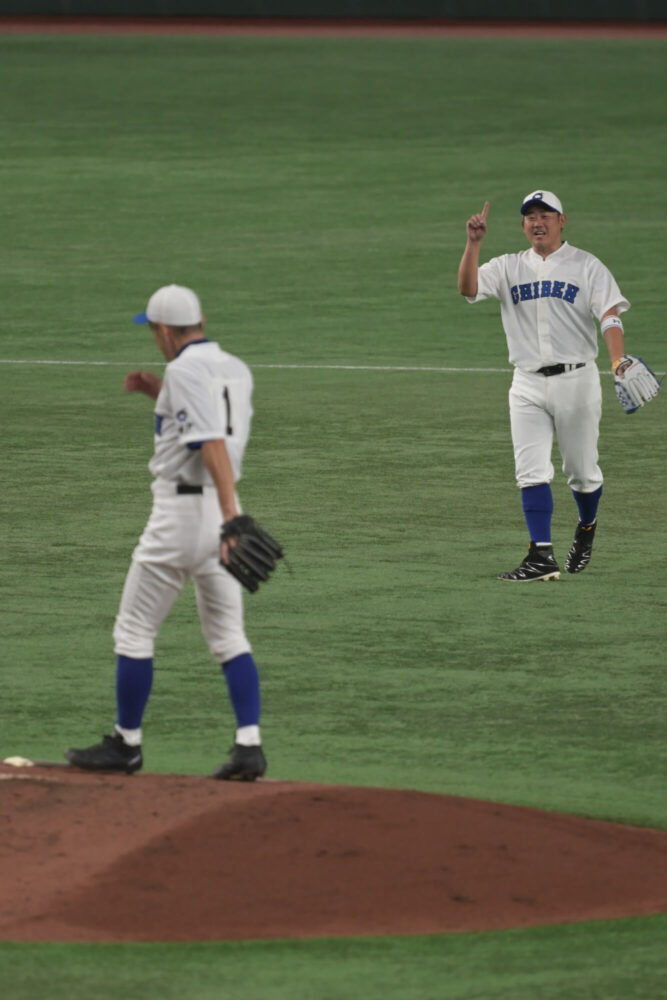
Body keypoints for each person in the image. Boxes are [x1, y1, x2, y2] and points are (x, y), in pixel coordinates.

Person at [66, 284, 267, 778]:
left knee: (134, 630)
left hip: (182, 518)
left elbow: (210, 443)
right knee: (228, 636)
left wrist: (231, 518)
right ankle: (249, 746)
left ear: (162, 330)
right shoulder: (235, 368)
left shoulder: (183, 369)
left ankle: (126, 743)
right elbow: (206, 420)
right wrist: (160, 393)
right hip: (223, 512)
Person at [458, 190, 658, 581]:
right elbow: (467, 289)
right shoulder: (507, 267)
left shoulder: (586, 266)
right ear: (522, 226)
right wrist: (473, 244)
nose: (538, 221)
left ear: (562, 220)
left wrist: (617, 359)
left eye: (546, 214)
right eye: (530, 216)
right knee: (530, 471)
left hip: (577, 381)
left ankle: (586, 526)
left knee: (582, 474)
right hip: (526, 383)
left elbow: (610, 315)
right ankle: (541, 557)